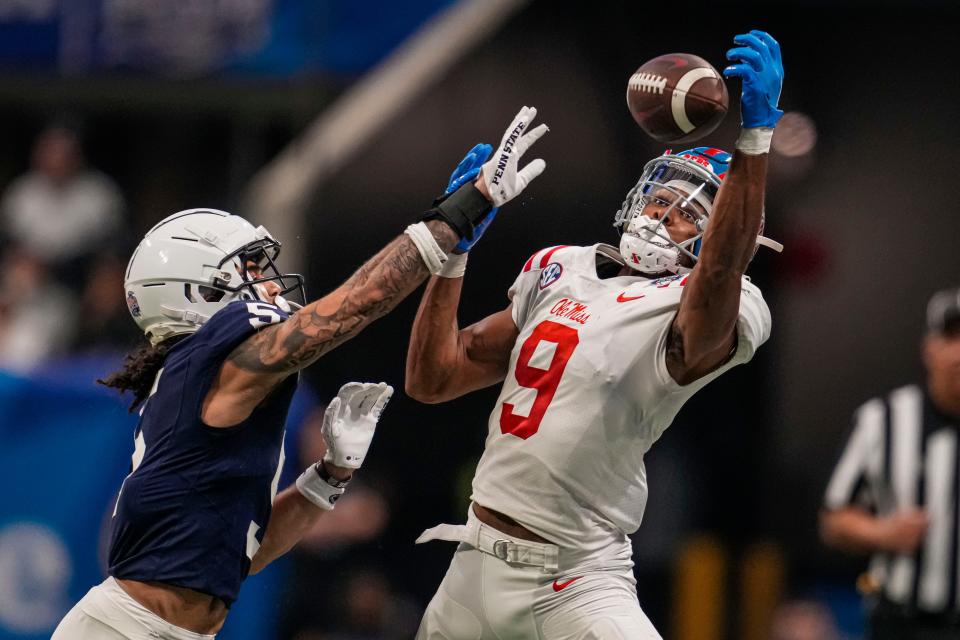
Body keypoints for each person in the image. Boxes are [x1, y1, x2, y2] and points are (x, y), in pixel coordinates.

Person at [51, 105, 548, 639]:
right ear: (201, 291)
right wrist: (458, 214)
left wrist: (327, 478)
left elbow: (242, 554)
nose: (269, 282)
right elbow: (358, 304)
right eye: (251, 268)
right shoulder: (212, 358)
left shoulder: (199, 382)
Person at [405, 30, 783, 639]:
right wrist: (454, 247)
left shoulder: (709, 304)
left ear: (727, 235)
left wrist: (755, 140)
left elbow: (716, 274)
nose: (663, 215)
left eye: (690, 211)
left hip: (576, 579)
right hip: (472, 565)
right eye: (661, 197)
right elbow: (433, 378)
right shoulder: (562, 266)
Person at [820, 287, 960, 640]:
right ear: (929, 347)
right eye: (950, 337)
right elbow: (834, 520)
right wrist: (885, 533)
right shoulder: (881, 420)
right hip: (902, 622)